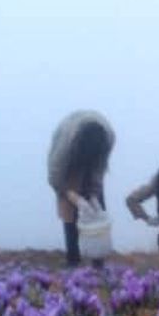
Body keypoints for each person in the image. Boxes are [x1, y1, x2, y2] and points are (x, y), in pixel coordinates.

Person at [47, 111, 115, 267]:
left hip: (94, 157)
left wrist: (93, 194)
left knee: (97, 209)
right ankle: (73, 260)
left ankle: (98, 262)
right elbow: (54, 177)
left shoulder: (107, 138)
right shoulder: (66, 143)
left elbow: (99, 169)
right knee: (69, 212)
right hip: (70, 161)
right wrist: (71, 195)